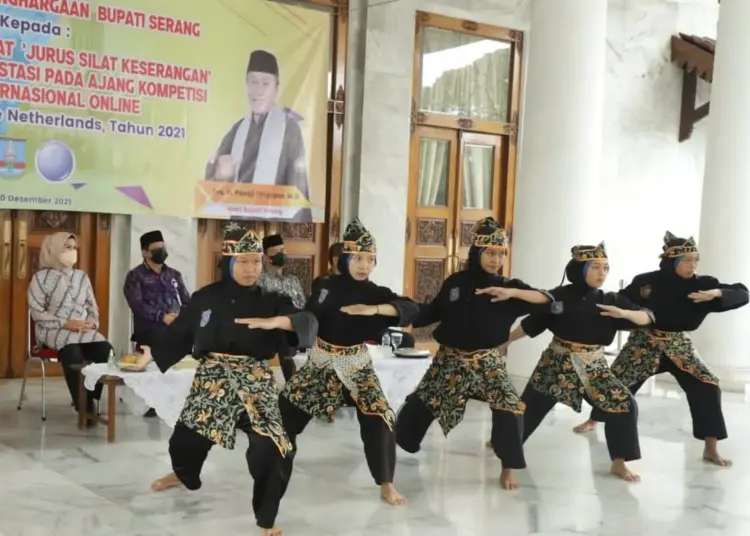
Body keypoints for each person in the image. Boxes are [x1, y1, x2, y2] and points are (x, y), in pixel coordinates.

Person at [135, 223, 317, 536]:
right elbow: (180, 332)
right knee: (184, 443)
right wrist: (151, 354)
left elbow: (307, 320)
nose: (251, 268)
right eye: (243, 262)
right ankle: (183, 474)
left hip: (256, 382)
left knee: (274, 447)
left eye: (256, 261)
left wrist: (280, 321)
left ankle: (267, 520)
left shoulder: (272, 298)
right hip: (214, 380)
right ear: (228, 262)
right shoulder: (205, 298)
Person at [394, 217, 557, 490]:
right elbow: (435, 311)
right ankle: (399, 444)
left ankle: (508, 467)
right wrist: (406, 313)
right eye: (490, 253)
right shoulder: (456, 282)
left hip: (487, 362)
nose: (496, 259)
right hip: (450, 359)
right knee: (421, 403)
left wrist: (511, 292)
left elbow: (547, 300)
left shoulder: (510, 289)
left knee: (509, 407)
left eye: (501, 253)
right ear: (477, 252)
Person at [573, 231, 749, 467]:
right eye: (687, 260)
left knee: (708, 385)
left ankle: (710, 447)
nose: (693, 264)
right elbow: (620, 302)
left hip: (678, 345)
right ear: (671, 261)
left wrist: (717, 293)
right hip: (644, 342)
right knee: (616, 385)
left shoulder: (703, 285)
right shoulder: (647, 282)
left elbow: (742, 294)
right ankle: (595, 419)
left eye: (696, 259)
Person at [279, 218, 419, 506]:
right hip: (322, 361)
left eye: (370, 259)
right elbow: (308, 316)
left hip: (356, 364)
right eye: (358, 258)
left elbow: (411, 308)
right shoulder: (324, 285)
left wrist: (373, 310)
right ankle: (273, 470)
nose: (364, 265)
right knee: (284, 416)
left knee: (380, 416)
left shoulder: (375, 292)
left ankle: (386, 483)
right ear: (344, 259)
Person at [504, 242, 653, 483]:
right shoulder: (559, 297)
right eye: (595, 267)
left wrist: (624, 314)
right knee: (527, 410)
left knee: (624, 404)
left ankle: (619, 462)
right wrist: (506, 341)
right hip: (556, 365)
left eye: (606, 268)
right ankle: (506, 449)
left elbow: (647, 316)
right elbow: (532, 324)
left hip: (594, 368)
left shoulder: (611, 299)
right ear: (579, 269)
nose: (602, 273)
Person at [205, 49, 311, 222]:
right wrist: (220, 176)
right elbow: (212, 185)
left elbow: (298, 192)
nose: (258, 91)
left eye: (265, 83)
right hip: (238, 227)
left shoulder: (289, 130)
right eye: (253, 82)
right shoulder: (237, 129)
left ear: (276, 87)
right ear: (246, 84)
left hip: (276, 229)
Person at [27, 232, 111, 417]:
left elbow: (92, 306)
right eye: (67, 248)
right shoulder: (40, 279)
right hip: (53, 330)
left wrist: (92, 322)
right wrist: (65, 323)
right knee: (73, 350)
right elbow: (37, 312)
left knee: (104, 348)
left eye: (74, 248)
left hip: (82, 329)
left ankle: (91, 397)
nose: (73, 252)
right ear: (54, 250)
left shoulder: (81, 277)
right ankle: (83, 406)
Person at [124, 230, 190, 349]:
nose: (162, 252)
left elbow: (186, 301)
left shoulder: (174, 275)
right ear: (145, 253)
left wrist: (182, 318)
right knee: (165, 335)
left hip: (176, 323)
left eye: (163, 248)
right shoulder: (135, 276)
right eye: (157, 249)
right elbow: (137, 305)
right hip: (150, 327)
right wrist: (163, 317)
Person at [256, 233, 306, 381]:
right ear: (266, 257)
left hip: (294, 329)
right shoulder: (260, 279)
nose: (282, 254)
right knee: (285, 342)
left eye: (283, 250)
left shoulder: (293, 280)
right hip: (270, 331)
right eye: (276, 252)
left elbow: (301, 304)